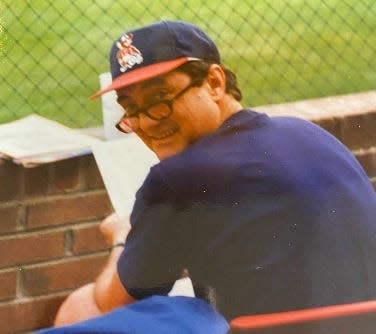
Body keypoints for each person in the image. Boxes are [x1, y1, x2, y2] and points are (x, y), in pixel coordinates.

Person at [54, 20, 376, 329]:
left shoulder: (175, 179)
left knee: (80, 307)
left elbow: (115, 304)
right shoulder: (312, 135)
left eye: (159, 101)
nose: (147, 123)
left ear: (214, 82)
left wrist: (121, 238)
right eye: (131, 110)